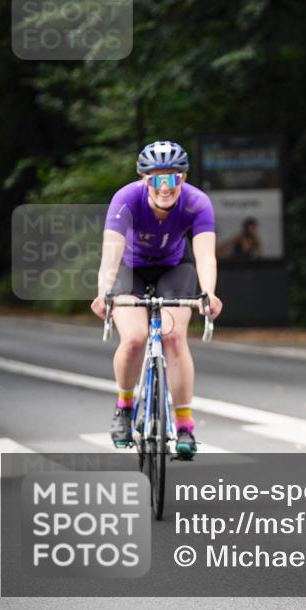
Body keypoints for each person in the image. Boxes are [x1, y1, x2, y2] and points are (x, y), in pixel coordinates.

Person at [91, 140, 224, 459]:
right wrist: (103, 292)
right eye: (156, 179)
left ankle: (184, 427)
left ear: (184, 179)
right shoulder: (126, 199)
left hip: (174, 268)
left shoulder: (197, 203)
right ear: (144, 179)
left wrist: (209, 293)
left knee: (175, 338)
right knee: (135, 338)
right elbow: (111, 254)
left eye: (173, 178)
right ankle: (124, 408)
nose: (165, 187)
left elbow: (206, 256)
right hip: (130, 268)